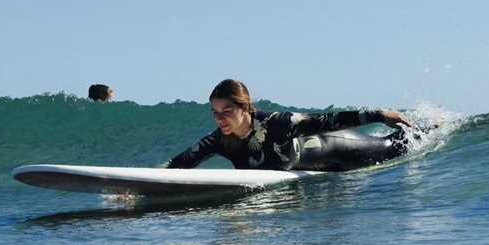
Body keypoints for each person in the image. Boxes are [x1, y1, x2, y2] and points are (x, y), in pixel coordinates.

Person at [165, 79, 421, 172]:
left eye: (227, 111)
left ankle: (429, 129)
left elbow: (327, 120)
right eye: (215, 112)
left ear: (245, 108)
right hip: (320, 172)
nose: (220, 118)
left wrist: (379, 115)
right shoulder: (221, 139)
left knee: (394, 146)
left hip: (338, 147)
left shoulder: (278, 123)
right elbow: (180, 163)